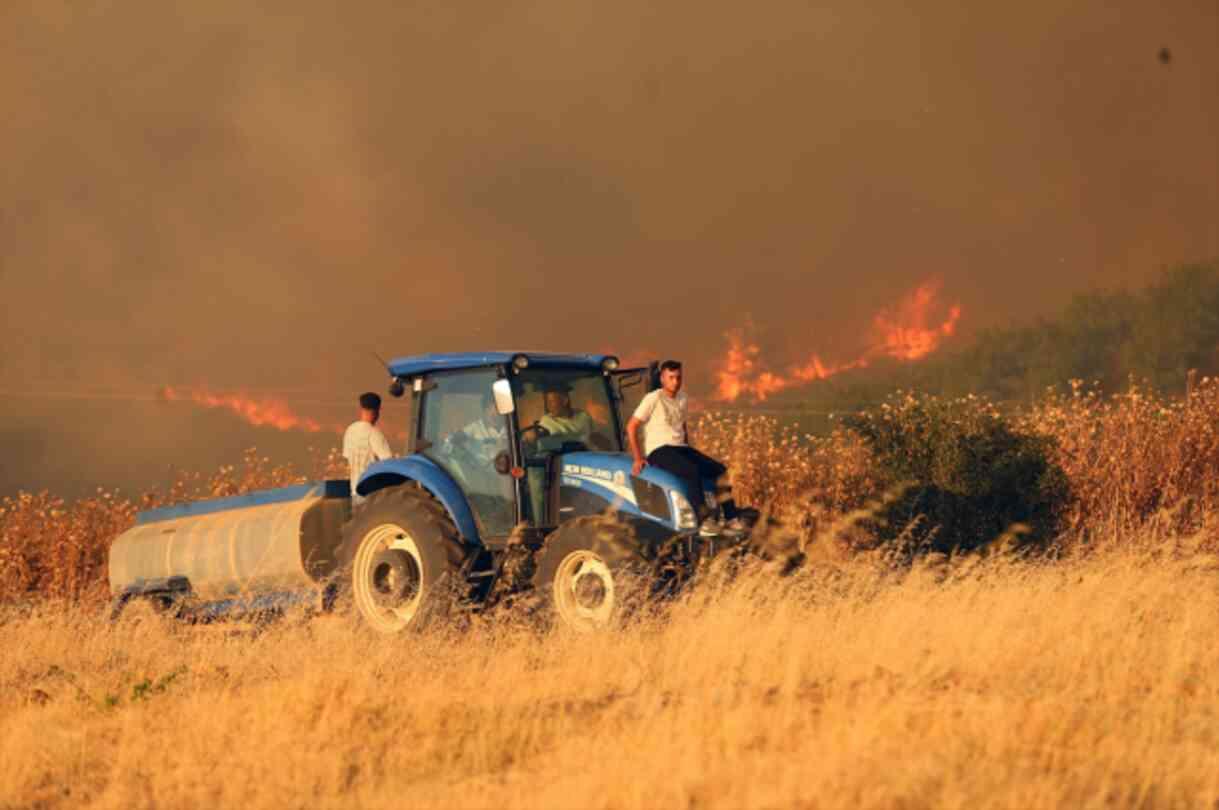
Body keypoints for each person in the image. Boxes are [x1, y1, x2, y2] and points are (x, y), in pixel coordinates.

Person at [626, 360, 745, 537]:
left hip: (680, 448)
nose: (675, 381)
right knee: (691, 471)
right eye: (671, 377)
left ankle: (731, 518)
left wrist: (688, 448)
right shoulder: (653, 398)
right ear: (662, 379)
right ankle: (704, 521)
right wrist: (638, 458)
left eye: (678, 378)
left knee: (720, 471)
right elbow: (632, 426)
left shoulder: (682, 398)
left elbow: (682, 426)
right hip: (659, 450)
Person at [342, 392, 394, 505]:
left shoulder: (350, 431)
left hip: (355, 492)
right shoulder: (374, 433)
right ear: (378, 410)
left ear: (361, 408)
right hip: (371, 495)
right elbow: (388, 462)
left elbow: (347, 459)